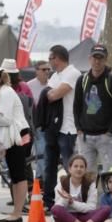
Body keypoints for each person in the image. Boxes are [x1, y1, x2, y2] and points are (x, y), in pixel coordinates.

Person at [0, 69, 32, 222]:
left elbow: (6, 119)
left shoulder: (6, 93)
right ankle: (16, 210)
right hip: (16, 136)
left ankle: (18, 212)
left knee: (18, 174)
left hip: (17, 136)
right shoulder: (5, 93)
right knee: (15, 174)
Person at [74, 44, 112, 173]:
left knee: (110, 174)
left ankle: (109, 193)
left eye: (100, 58)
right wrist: (79, 129)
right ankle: (89, 194)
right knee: (86, 175)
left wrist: (110, 132)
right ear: (89, 58)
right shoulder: (82, 80)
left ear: (105, 59)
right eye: (94, 57)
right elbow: (77, 105)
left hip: (105, 137)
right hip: (85, 137)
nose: (97, 61)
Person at [43, 45, 82, 208]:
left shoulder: (73, 73)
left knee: (70, 168)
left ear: (57, 58)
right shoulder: (56, 76)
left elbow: (52, 95)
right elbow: (48, 93)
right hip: (54, 128)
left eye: (50, 59)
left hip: (69, 128)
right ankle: (48, 201)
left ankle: (74, 200)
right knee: (49, 167)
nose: (49, 62)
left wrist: (49, 94)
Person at [51, 154, 111, 222]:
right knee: (55, 209)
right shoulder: (62, 182)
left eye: (81, 167)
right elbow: (59, 206)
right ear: (70, 169)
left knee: (106, 209)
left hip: (84, 217)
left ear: (85, 169)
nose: (78, 169)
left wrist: (72, 203)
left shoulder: (90, 184)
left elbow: (91, 207)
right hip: (67, 217)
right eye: (75, 166)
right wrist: (66, 199)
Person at [27, 61, 51, 180]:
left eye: (48, 69)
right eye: (43, 69)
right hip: (32, 125)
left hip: (47, 125)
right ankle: (39, 180)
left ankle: (40, 179)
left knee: (43, 154)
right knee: (37, 154)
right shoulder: (29, 86)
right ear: (36, 71)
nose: (47, 72)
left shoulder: (53, 84)